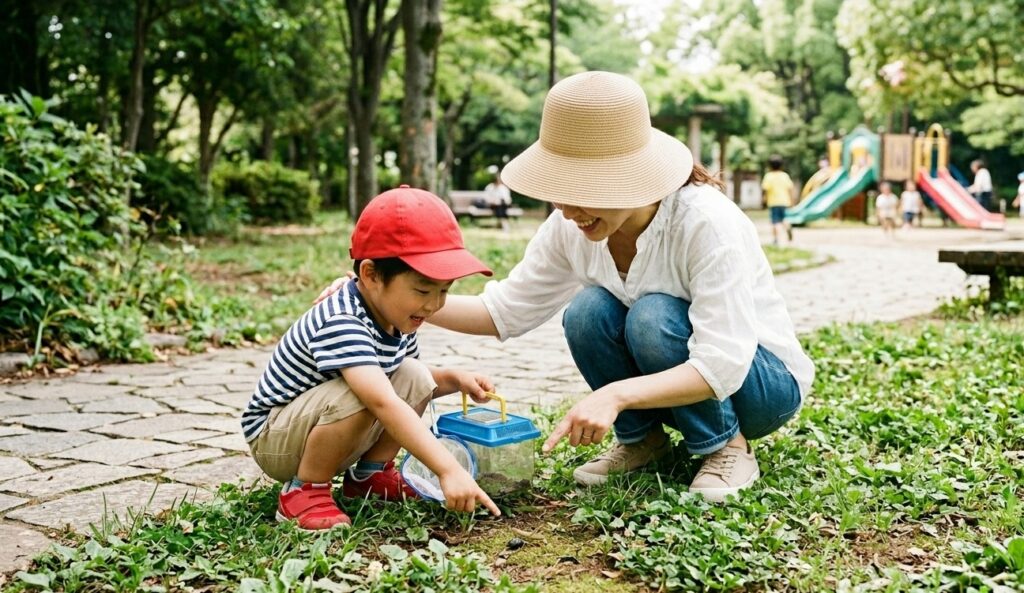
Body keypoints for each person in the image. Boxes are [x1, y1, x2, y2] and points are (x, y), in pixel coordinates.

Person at [320, 72, 813, 502]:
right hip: (691, 375)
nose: (569, 208)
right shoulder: (571, 227)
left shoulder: (705, 223)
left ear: (633, 179)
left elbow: (722, 363)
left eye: (585, 189)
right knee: (587, 310)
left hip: (761, 386)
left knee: (652, 316)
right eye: (560, 188)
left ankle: (727, 447)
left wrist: (615, 395)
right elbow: (502, 311)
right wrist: (381, 299)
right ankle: (644, 443)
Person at [243, 185, 501, 530]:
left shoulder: (396, 319)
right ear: (371, 274)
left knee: (415, 374)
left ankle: (368, 477)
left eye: (444, 291)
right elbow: (382, 401)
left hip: (321, 425)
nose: (434, 304)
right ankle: (304, 491)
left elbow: (402, 379)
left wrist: (452, 379)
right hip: (276, 438)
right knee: (367, 392)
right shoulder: (343, 320)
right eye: (423, 290)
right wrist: (447, 469)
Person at [762, 155, 794, 245]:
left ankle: (776, 239)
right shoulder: (785, 176)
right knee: (784, 219)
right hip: (784, 201)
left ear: (770, 166)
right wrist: (792, 201)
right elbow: (790, 189)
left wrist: (764, 200)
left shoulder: (768, 176)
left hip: (773, 202)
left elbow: (765, 189)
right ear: (781, 165)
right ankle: (787, 226)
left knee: (775, 222)